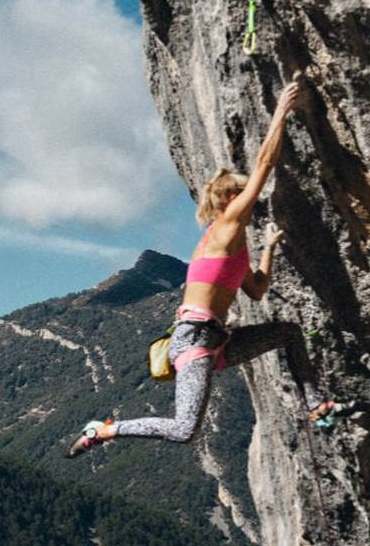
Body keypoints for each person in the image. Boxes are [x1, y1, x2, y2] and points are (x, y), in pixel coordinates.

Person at [67, 81, 343, 457]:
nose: (250, 201)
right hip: (195, 339)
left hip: (215, 341)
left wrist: (269, 251)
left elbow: (257, 290)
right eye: (242, 194)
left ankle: (314, 406)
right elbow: (265, 164)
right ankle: (106, 430)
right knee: (184, 430)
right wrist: (280, 112)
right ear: (229, 199)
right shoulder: (225, 228)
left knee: (290, 333)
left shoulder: (234, 246)